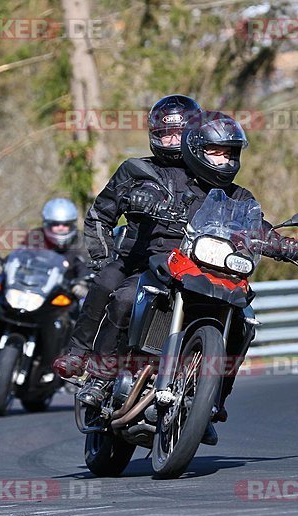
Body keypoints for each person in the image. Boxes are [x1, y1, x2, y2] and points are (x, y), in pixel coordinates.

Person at [58, 111, 298, 445]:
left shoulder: (238, 197)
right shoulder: (149, 173)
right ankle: (100, 377)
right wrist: (137, 202)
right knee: (124, 296)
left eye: (231, 153)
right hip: (160, 263)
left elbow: (255, 225)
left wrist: (281, 242)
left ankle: (211, 401)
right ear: (198, 148)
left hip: (211, 268)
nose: (226, 160)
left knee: (245, 321)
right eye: (218, 152)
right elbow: (111, 207)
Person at [52, 94, 201, 377]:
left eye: (179, 134)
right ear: (154, 135)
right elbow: (99, 216)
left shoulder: (210, 176)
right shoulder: (135, 170)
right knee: (111, 285)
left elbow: (236, 211)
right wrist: (103, 257)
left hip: (193, 263)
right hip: (137, 260)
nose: (172, 141)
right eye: (165, 134)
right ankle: (81, 355)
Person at [0, 198, 89, 374]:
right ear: (47, 223)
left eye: (65, 225)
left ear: (72, 225)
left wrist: (82, 283)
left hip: (62, 295)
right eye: (56, 224)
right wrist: (2, 266)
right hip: (34, 290)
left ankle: (68, 364)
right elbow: (18, 259)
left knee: (77, 318)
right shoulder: (36, 237)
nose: (61, 229)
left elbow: (86, 267)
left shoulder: (80, 244)